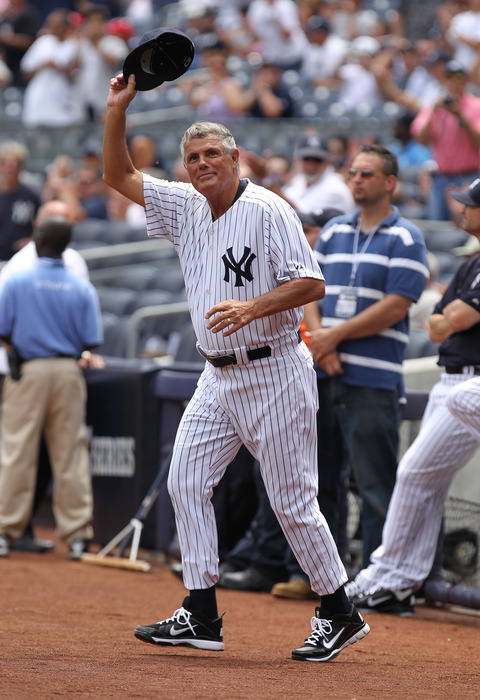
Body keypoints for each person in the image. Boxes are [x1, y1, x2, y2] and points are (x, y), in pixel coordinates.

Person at [103, 70, 370, 662]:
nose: (202, 163)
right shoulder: (185, 205)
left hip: (273, 367)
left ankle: (338, 609)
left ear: (235, 156)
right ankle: (200, 611)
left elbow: (312, 282)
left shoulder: (270, 209)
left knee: (293, 502)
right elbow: (116, 175)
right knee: (185, 479)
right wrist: (118, 108)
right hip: (216, 375)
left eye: (213, 154)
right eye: (193, 156)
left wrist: (253, 307)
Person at [345, 176, 480, 615]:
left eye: (468, 204)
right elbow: (438, 323)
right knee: (420, 477)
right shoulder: (470, 263)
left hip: (472, 385)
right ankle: (395, 579)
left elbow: (454, 319)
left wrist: (451, 319)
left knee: (416, 473)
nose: (460, 208)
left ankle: (389, 574)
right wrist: (450, 319)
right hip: (453, 379)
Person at [303, 144, 429, 573]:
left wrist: (331, 338)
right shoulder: (335, 231)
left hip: (373, 380)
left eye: (367, 174)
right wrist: (324, 341)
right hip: (324, 370)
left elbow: (396, 306)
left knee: (375, 484)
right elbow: (308, 289)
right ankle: (326, 578)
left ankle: (380, 576)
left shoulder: (406, 237)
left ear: (390, 183)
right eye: (353, 173)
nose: (356, 180)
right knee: (319, 483)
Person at [0, 198, 103, 553]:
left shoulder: (17, 278)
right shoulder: (80, 287)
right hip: (67, 371)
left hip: (27, 370)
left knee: (16, 450)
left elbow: (3, 329)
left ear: (40, 238)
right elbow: (92, 340)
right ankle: (77, 535)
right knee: (70, 453)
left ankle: (5, 531)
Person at [410, 59, 480, 221]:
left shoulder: (476, 105)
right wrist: (435, 111)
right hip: (441, 178)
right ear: (444, 80)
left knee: (468, 225)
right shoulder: (435, 106)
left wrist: (460, 115)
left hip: (468, 177)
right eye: (450, 78)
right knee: (437, 226)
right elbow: (420, 138)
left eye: (459, 78)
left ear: (466, 81)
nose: (455, 83)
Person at [19, 9, 79, 129]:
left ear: (64, 26)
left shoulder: (73, 45)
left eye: (56, 24)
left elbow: (74, 75)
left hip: (62, 98)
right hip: (39, 98)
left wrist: (59, 67)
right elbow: (26, 73)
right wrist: (43, 64)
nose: (52, 27)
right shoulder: (42, 42)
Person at [283, 132, 355, 214]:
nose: (311, 165)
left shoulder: (335, 188)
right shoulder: (298, 180)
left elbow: (302, 218)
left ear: (327, 160)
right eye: (307, 159)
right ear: (299, 159)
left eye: (317, 160)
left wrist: (269, 183)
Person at [0, 140, 41, 261]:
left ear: (22, 167)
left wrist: (33, 240)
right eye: (5, 163)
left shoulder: (31, 195)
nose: (10, 167)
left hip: (21, 259)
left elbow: (44, 221)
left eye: (15, 163)